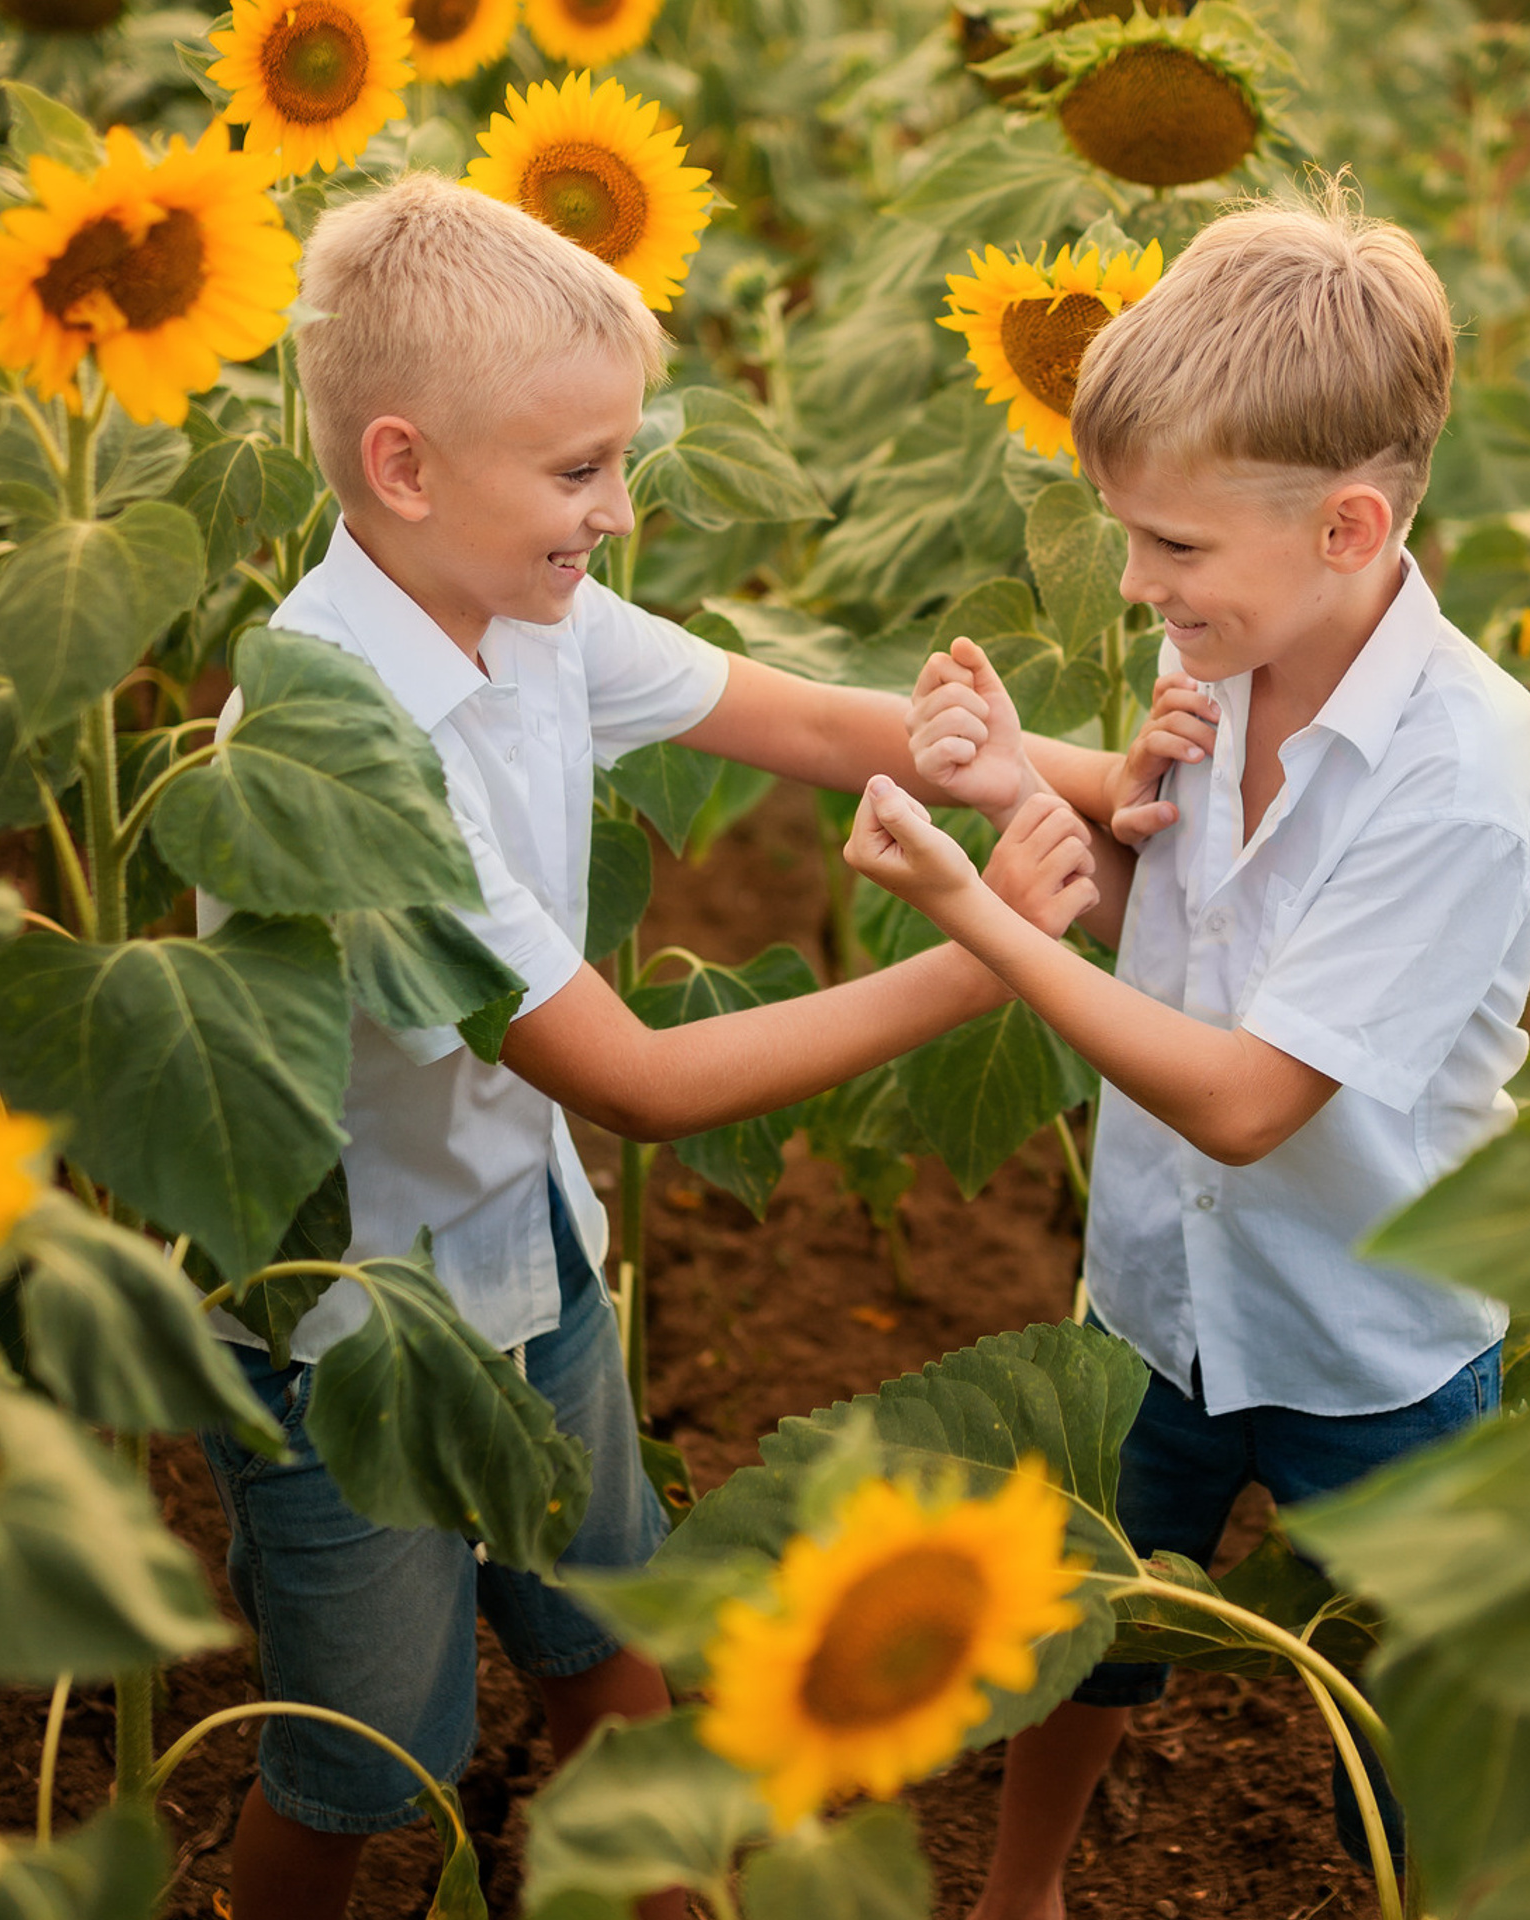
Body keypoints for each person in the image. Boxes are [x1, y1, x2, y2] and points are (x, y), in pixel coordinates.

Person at [196, 172, 1103, 1920]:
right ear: (404, 468)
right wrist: (989, 951)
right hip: (348, 1326)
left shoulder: (519, 609)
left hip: (526, 1253)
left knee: (615, 1661)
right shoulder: (341, 742)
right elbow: (643, 1080)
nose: (618, 510)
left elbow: (829, 725)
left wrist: (1128, 775)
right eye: (578, 473)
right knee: (366, 1758)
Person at [847, 186, 1530, 1919]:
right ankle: (1019, 1896)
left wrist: (981, 920)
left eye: (1172, 547)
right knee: (1084, 1629)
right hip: (1159, 1289)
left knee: (1405, 1739)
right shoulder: (1235, 655)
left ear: (1345, 525)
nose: (1136, 579)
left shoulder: (1463, 774)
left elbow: (1248, 1098)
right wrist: (1026, 785)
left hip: (1371, 1339)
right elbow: (1172, 904)